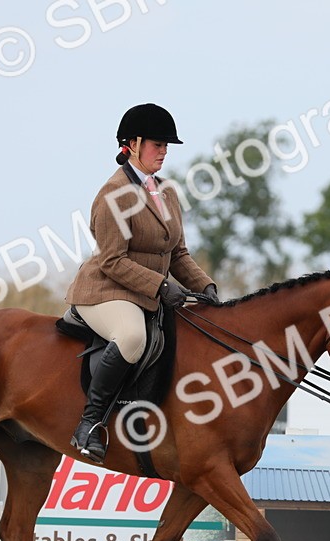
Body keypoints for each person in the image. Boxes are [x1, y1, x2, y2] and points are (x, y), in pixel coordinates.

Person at [65, 103, 219, 462]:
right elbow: (112, 260)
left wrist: (206, 286)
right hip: (106, 291)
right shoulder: (112, 195)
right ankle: (89, 424)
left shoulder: (165, 192)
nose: (163, 152)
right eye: (157, 144)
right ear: (132, 144)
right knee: (133, 337)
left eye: (167, 146)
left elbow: (178, 254)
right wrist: (162, 287)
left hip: (144, 291)